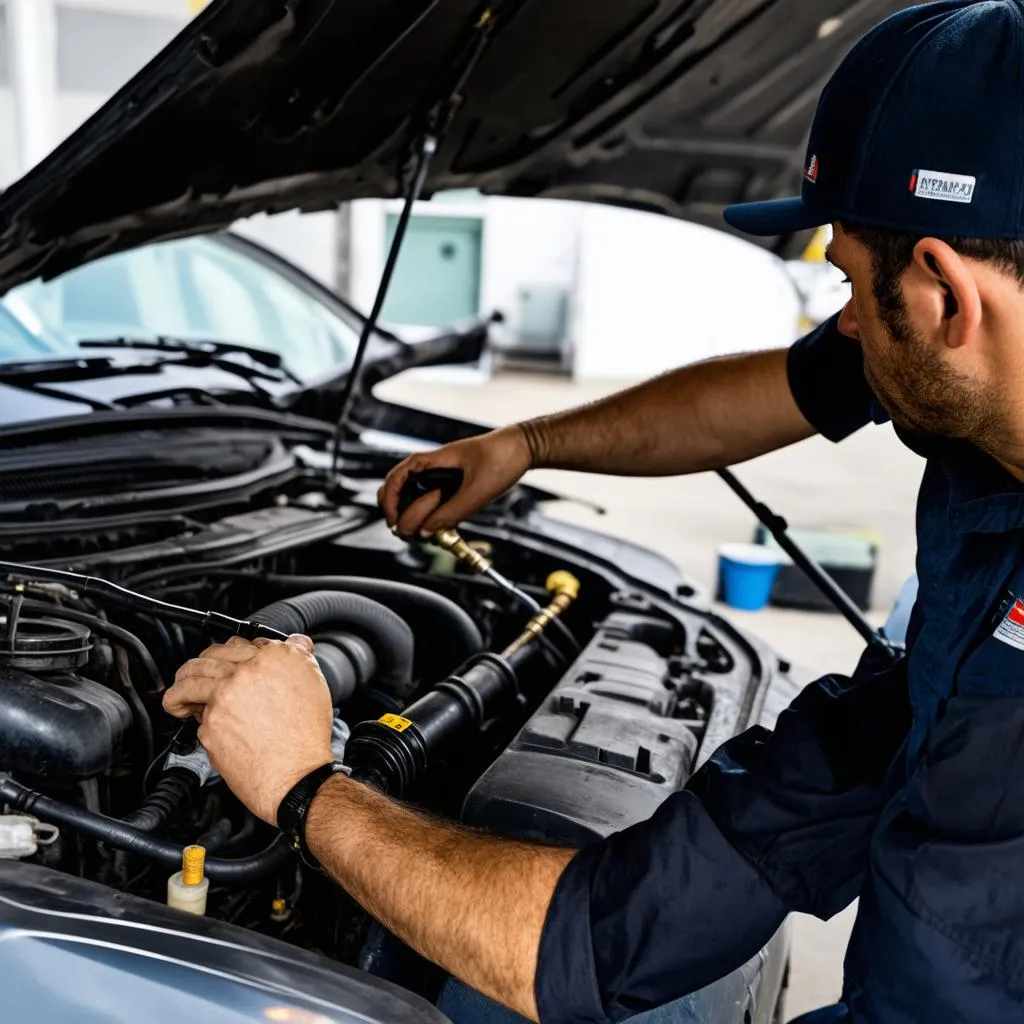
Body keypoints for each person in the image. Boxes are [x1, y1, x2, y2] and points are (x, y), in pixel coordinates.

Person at [162, 3, 1024, 1022]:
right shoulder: (980, 413)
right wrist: (521, 445)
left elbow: (929, 996)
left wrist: (307, 786)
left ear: (942, 294)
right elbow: (645, 912)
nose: (841, 322)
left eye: (841, 276)